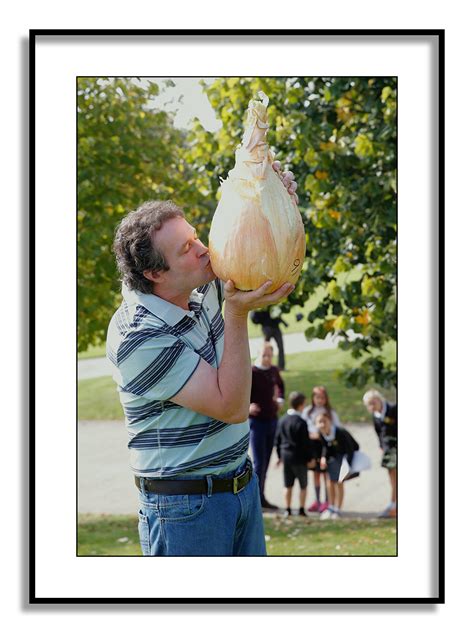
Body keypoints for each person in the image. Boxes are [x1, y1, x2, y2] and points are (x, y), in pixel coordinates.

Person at [106, 165, 298, 556]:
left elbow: (259, 249)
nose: (204, 249)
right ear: (154, 272)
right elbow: (230, 407)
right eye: (186, 248)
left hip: (240, 486)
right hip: (185, 510)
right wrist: (237, 315)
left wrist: (273, 199)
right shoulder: (136, 336)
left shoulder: (198, 279)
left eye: (195, 237)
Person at [249, 342, 285, 510]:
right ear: (258, 354)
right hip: (256, 422)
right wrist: (247, 407)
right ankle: (255, 499)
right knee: (258, 462)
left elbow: (281, 386)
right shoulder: (252, 372)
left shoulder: (273, 371)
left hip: (272, 419)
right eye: (264, 355)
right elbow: (240, 391)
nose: (267, 358)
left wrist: (280, 400)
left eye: (270, 355)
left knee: (267, 460)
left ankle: (262, 496)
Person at [274, 392, 316, 517]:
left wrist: (279, 456)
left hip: (286, 456)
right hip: (299, 457)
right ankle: (302, 509)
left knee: (288, 484)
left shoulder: (282, 420)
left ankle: (288, 509)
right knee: (303, 485)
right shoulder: (301, 422)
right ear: (301, 405)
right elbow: (305, 443)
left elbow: (278, 440)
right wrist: (311, 457)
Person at [302, 386, 342, 513]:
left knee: (326, 474)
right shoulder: (308, 411)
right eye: (317, 397)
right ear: (313, 398)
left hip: (325, 446)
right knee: (316, 474)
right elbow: (303, 427)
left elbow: (337, 428)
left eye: (322, 398)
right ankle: (317, 500)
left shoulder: (330, 412)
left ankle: (327, 500)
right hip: (312, 447)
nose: (320, 400)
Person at [316, 411, 359, 520]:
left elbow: (351, 449)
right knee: (330, 482)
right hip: (334, 458)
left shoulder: (340, 432)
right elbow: (326, 447)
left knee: (339, 482)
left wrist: (348, 466)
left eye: (324, 421)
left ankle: (338, 509)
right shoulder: (321, 433)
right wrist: (323, 457)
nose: (322, 424)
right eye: (319, 422)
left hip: (344, 457)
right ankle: (331, 507)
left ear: (329, 421)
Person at [363, 389, 397, 518]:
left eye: (373, 402)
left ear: (379, 399)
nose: (372, 406)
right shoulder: (376, 416)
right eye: (369, 404)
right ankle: (393, 503)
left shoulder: (394, 409)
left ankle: (394, 504)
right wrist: (382, 446)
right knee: (392, 475)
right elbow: (379, 433)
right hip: (388, 449)